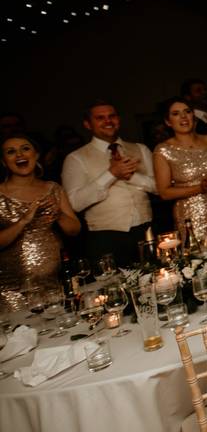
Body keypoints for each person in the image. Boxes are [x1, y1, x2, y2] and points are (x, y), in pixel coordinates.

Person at [62, 101, 157, 266]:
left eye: (111, 116)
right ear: (87, 124)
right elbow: (75, 203)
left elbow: (159, 188)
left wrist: (132, 177)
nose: (108, 121)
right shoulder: (75, 158)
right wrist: (111, 174)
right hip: (105, 237)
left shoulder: (140, 148)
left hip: (146, 230)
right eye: (100, 118)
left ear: (118, 120)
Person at [1, 135, 81, 310]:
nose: (19, 155)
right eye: (11, 152)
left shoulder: (52, 188)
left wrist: (58, 214)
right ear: (3, 161)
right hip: (12, 291)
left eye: (25, 148)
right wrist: (24, 220)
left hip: (53, 284)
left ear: (36, 155)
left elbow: (74, 230)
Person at [154, 98, 207, 245]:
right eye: (176, 114)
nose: (183, 117)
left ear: (193, 116)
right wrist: (199, 188)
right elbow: (164, 192)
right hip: (190, 218)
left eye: (187, 112)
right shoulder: (163, 150)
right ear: (168, 121)